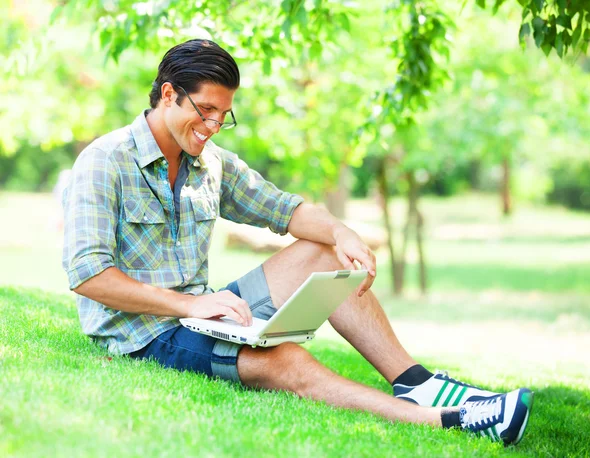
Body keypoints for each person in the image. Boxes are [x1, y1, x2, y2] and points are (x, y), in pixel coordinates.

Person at [62, 39, 533, 446]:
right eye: (205, 111)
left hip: (203, 315)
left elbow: (284, 209)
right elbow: (87, 275)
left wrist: (341, 232)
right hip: (144, 337)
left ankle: (414, 382)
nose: (211, 126)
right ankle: (448, 421)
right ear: (169, 94)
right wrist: (188, 307)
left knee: (324, 251)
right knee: (283, 359)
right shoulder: (104, 161)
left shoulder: (211, 163)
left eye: (223, 117)